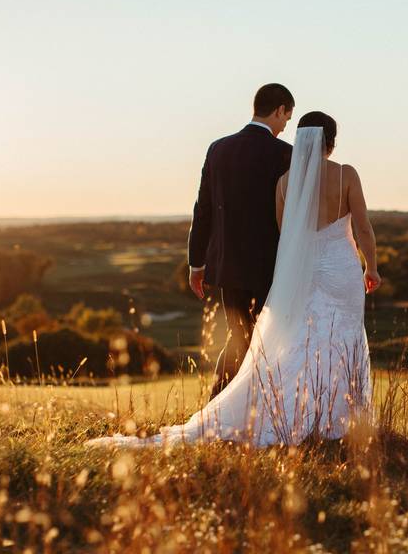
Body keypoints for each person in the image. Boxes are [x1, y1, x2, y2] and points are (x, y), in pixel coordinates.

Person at [87, 110, 381, 448]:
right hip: (341, 272)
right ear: (331, 142)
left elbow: (287, 239)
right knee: (343, 340)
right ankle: (340, 421)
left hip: (306, 273)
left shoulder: (285, 183)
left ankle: (299, 414)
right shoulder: (346, 175)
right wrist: (370, 267)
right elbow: (363, 228)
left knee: (304, 341)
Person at [187, 83, 294, 398]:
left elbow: (202, 210)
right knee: (268, 340)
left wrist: (197, 263)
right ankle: (253, 409)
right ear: (279, 110)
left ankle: (218, 403)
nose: (286, 125)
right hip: (270, 265)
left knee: (239, 336)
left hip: (227, 265)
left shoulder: (218, 148)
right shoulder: (284, 153)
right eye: (287, 117)